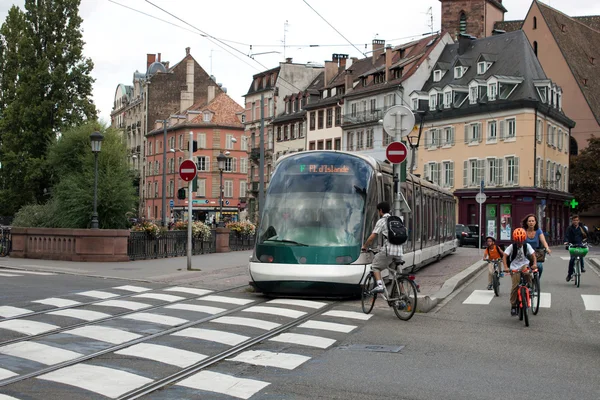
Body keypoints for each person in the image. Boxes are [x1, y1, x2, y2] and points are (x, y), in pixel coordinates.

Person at [361, 202, 403, 293]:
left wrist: (364, 246)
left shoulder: (382, 221)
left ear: (380, 211)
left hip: (389, 250)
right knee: (397, 275)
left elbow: (373, 236)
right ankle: (402, 295)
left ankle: (380, 286)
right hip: (399, 251)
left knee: (375, 266)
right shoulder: (397, 220)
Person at [503, 227, 537, 316]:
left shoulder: (527, 246)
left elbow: (533, 255)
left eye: (521, 241)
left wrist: (534, 264)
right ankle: (513, 306)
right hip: (514, 266)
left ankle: (529, 286)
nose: (520, 244)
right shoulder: (511, 247)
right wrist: (506, 267)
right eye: (518, 242)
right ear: (515, 240)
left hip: (524, 264)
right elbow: (505, 256)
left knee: (527, 272)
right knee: (515, 286)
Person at [522, 214, 551, 279]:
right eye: (529, 221)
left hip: (536, 253)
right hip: (525, 253)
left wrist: (547, 248)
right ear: (526, 222)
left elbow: (543, 241)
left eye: (533, 221)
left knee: (539, 266)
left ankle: (536, 280)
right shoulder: (523, 230)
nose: (531, 223)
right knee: (524, 268)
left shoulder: (538, 230)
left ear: (535, 222)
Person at [564, 214, 587, 281]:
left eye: (577, 220)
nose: (575, 222)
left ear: (579, 221)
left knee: (581, 255)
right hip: (572, 245)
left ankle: (582, 267)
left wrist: (585, 241)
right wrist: (566, 242)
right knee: (572, 259)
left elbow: (586, 235)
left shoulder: (582, 228)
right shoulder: (569, 228)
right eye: (574, 220)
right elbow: (566, 236)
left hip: (580, 244)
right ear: (572, 221)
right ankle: (569, 274)